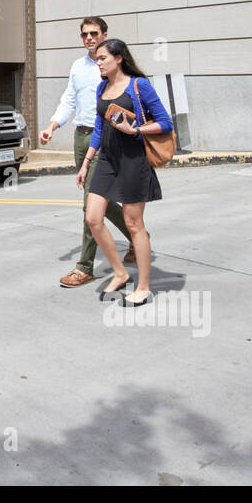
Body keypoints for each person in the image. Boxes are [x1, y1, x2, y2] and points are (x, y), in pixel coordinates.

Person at [39, 17, 137, 288]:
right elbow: (69, 99)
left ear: (105, 34)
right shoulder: (78, 66)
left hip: (105, 138)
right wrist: (52, 125)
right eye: (85, 34)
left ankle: (85, 266)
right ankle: (137, 234)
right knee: (99, 201)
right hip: (81, 137)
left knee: (89, 204)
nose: (89, 38)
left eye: (94, 33)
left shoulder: (111, 64)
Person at [79, 39, 173, 307]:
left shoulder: (138, 85)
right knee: (93, 218)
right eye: (96, 59)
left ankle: (143, 286)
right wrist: (87, 162)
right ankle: (119, 272)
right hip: (107, 159)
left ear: (119, 58)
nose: (98, 63)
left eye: (102, 58)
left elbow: (165, 122)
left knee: (134, 225)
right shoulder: (102, 86)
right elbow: (99, 127)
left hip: (133, 159)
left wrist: (137, 130)